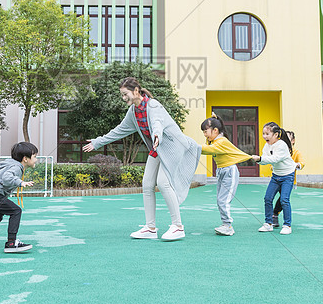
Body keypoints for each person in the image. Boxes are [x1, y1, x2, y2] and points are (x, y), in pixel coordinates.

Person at [83, 77, 201, 241]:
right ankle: (150, 228)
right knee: (147, 184)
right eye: (122, 95)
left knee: (163, 183)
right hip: (157, 148)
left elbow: (157, 123)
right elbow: (118, 131)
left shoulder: (153, 105)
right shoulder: (133, 112)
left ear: (136, 91)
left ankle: (178, 226)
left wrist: (157, 135)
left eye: (126, 94)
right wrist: (97, 142)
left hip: (173, 146)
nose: (124, 98)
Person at [200, 115, 254, 236]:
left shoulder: (221, 141)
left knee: (223, 200)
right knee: (220, 200)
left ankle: (228, 226)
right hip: (222, 171)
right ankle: (225, 224)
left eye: (205, 131)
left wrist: (194, 146)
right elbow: (208, 147)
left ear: (215, 130)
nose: (204, 134)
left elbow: (208, 150)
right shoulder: (215, 141)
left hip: (229, 171)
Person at [251, 122, 296, 235]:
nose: (264, 136)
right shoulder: (267, 146)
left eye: (267, 134)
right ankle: (268, 224)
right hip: (276, 176)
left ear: (276, 135)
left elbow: (274, 159)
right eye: (263, 133)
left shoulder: (282, 145)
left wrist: (260, 158)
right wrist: (259, 160)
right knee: (267, 198)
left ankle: (287, 225)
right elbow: (264, 160)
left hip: (287, 175)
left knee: (284, 200)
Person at [273, 130, 304, 228]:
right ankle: (272, 216)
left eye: (288, 139)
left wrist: (296, 165)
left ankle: (275, 214)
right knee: (270, 197)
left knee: (284, 198)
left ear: (293, 141)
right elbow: (272, 162)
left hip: (289, 180)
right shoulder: (278, 151)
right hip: (277, 178)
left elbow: (302, 163)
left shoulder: (296, 153)